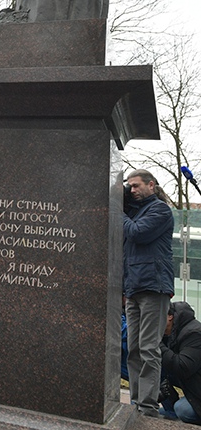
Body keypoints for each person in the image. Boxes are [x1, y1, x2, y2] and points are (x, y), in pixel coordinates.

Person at [123, 169, 174, 418]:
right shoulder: (135, 211)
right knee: (132, 349)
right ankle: (136, 402)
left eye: (135, 186)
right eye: (129, 187)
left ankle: (148, 407)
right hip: (133, 288)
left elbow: (137, 233)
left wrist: (118, 212)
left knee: (148, 348)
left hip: (154, 287)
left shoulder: (160, 210)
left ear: (151, 185)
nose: (132, 190)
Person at [159, 302, 201, 423]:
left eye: (156, 316)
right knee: (162, 413)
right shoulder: (171, 334)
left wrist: (155, 343)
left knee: (182, 409)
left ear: (170, 316)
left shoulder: (194, 333)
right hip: (195, 387)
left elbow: (183, 367)